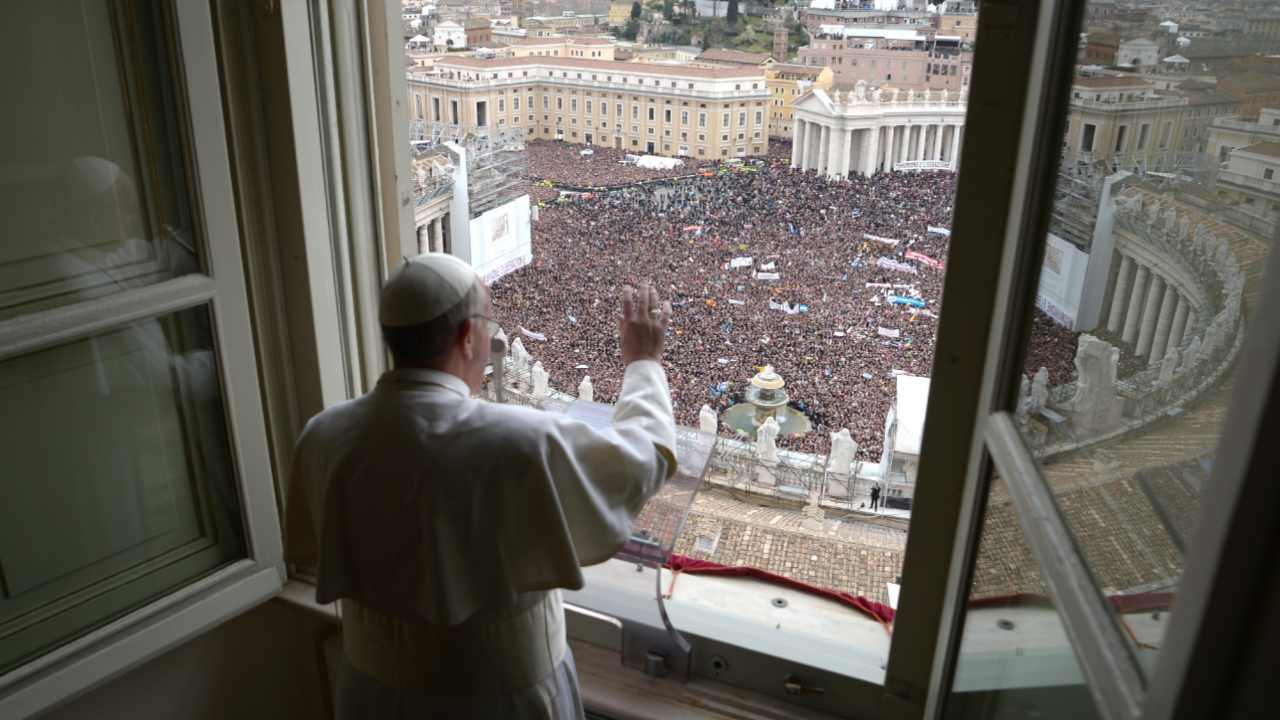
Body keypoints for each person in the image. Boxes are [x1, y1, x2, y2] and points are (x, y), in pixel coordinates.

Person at [284, 254, 677, 719]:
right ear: (468, 337)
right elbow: (643, 457)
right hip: (504, 701)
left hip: (370, 694)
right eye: (488, 325)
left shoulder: (323, 434)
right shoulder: (521, 440)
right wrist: (644, 363)